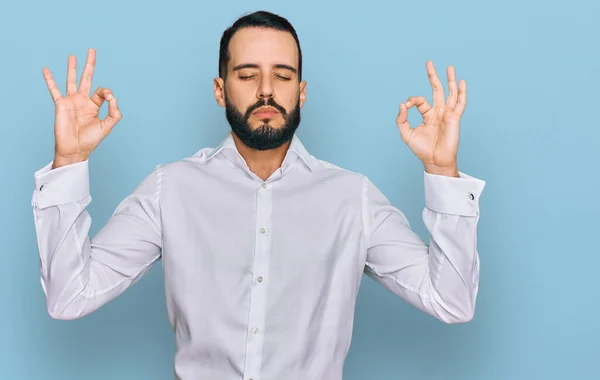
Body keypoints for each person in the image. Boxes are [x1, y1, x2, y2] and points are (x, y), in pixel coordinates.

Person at [31, 10, 486, 380]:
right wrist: (68, 161)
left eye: (283, 76)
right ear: (219, 89)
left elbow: (452, 301)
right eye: (248, 75)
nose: (266, 90)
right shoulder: (171, 188)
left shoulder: (353, 198)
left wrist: (441, 170)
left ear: (301, 92)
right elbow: (70, 296)